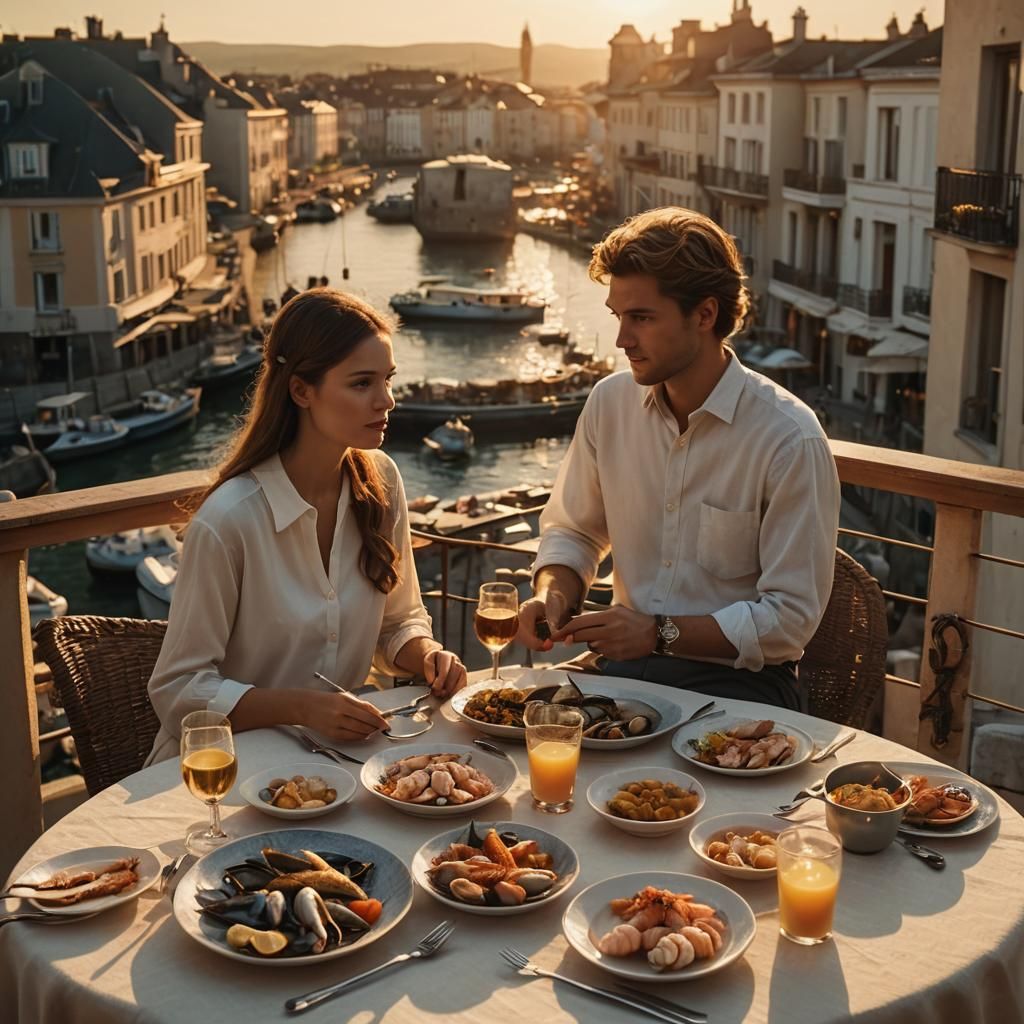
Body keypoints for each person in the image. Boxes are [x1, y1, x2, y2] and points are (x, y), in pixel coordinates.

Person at [517, 208, 840, 710]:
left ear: (705, 315)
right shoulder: (609, 403)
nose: (622, 339)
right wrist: (552, 596)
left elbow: (789, 619)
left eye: (641, 318)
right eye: (618, 317)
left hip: (742, 685)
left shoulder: (789, 439)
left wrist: (657, 634)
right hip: (624, 672)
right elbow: (575, 532)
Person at [145, 289, 466, 764]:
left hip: (336, 765)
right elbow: (178, 690)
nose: (387, 400)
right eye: (362, 384)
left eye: (387, 379)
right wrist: (303, 707)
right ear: (301, 391)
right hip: (221, 774)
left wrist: (426, 655)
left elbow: (397, 622)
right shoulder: (229, 521)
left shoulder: (382, 482)